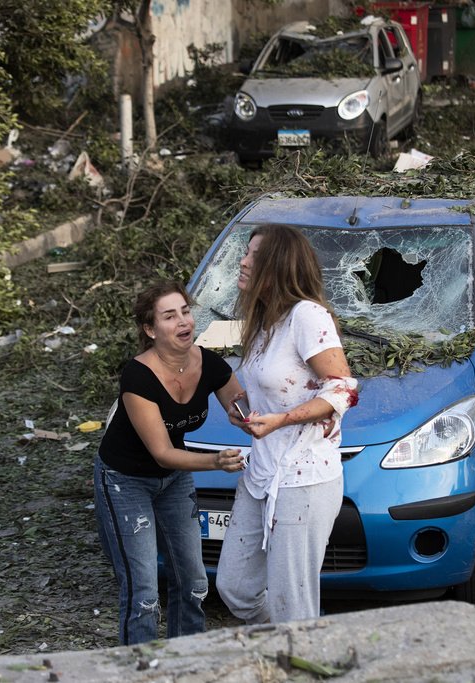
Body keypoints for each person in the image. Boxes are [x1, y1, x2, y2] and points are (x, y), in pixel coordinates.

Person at [215, 224, 358, 624]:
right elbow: (274, 387)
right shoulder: (264, 322)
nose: (243, 261)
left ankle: (298, 655)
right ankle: (292, 641)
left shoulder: (307, 316)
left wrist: (282, 420)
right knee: (235, 587)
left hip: (304, 479)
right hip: (262, 474)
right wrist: (243, 407)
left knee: (292, 605)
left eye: (253, 256)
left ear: (276, 266)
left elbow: (344, 388)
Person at [93, 280, 246, 645]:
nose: (183, 322)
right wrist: (216, 461)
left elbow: (243, 408)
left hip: (174, 479)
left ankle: (186, 661)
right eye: (169, 316)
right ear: (150, 329)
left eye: (186, 311)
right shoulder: (138, 376)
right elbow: (161, 452)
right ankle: (143, 669)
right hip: (125, 482)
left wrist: (257, 413)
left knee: (194, 583)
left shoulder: (208, 362)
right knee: (144, 593)